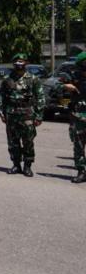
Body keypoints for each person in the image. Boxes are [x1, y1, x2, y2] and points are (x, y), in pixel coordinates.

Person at [0, 53, 44, 177]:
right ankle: (16, 165)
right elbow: (1, 97)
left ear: (26, 63)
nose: (19, 64)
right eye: (17, 62)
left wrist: (39, 115)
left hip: (27, 115)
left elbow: (40, 97)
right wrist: (2, 113)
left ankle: (27, 166)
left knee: (28, 142)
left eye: (22, 61)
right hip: (12, 115)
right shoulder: (7, 79)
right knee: (13, 142)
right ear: (13, 64)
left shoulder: (34, 79)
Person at [62, 52, 86, 183]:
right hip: (78, 116)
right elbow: (56, 87)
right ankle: (82, 171)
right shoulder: (73, 77)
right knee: (79, 146)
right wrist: (65, 86)